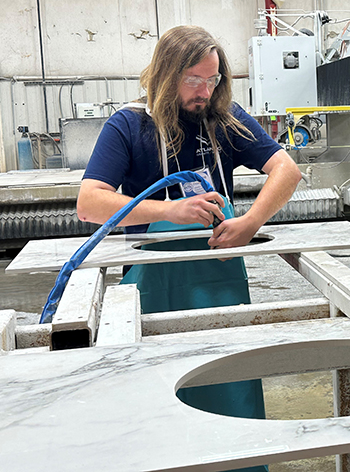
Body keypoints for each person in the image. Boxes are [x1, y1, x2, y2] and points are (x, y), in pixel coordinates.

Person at [77, 25, 301, 472]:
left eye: (213, 79)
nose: (205, 91)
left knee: (230, 380)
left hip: (220, 274)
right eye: (194, 80)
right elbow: (90, 202)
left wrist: (250, 222)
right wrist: (171, 210)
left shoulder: (226, 120)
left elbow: (287, 169)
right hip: (152, 281)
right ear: (166, 74)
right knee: (158, 392)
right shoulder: (129, 124)